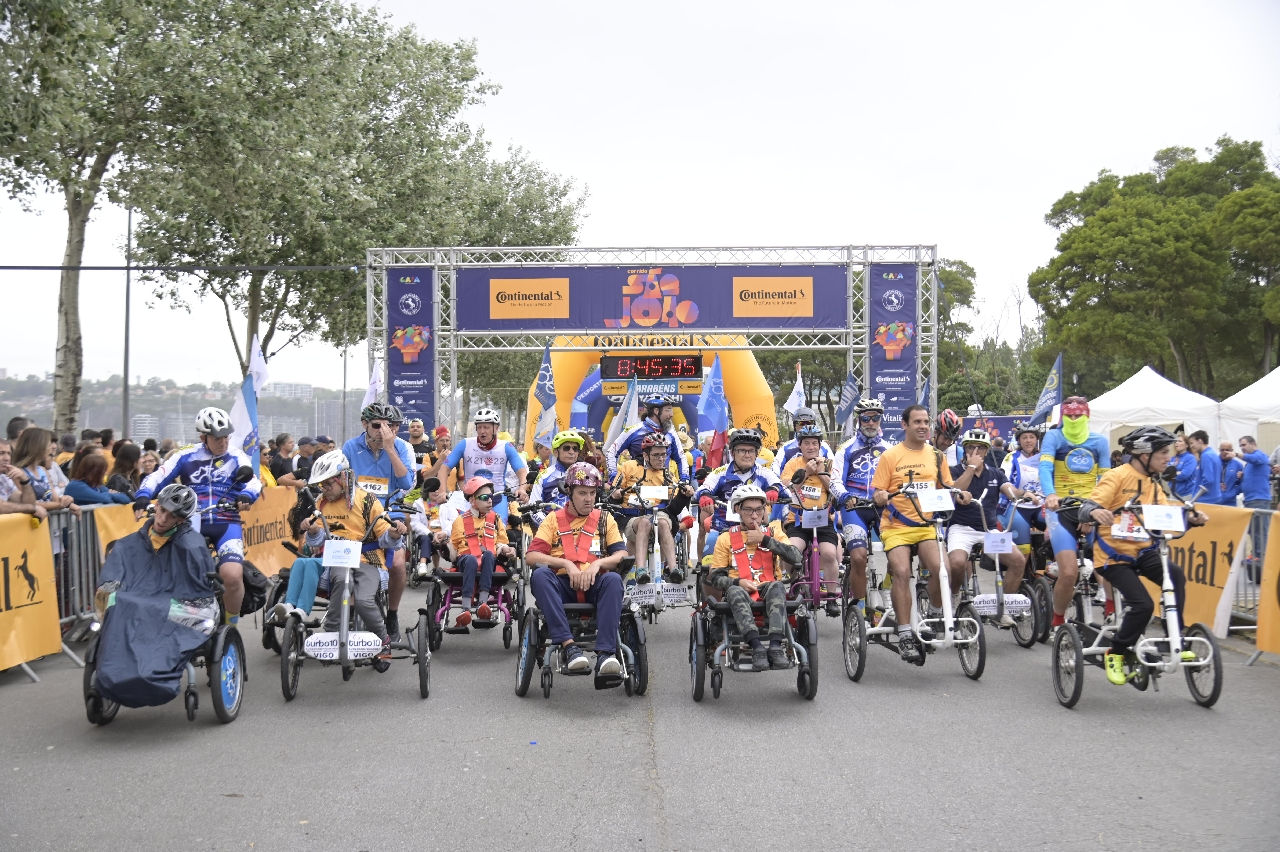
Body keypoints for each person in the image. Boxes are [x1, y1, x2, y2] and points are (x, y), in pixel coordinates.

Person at [1078, 426, 1207, 685]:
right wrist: (1094, 513)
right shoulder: (1117, 476)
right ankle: (1115, 653)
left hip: (1143, 551)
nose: (1167, 458)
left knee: (1176, 576)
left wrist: (1190, 519)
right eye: (1162, 452)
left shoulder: (1155, 483)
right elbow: (1089, 504)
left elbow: (1165, 516)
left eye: (1168, 452)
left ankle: (1175, 640)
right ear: (1143, 454)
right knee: (1144, 605)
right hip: (1113, 556)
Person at [133, 407, 261, 620]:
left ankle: (231, 630)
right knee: (180, 574)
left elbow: (254, 482)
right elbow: (158, 476)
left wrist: (247, 495)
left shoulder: (237, 456)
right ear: (203, 437)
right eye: (217, 438)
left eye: (226, 437)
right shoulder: (186, 455)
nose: (223, 442)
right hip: (191, 523)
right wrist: (143, 496)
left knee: (232, 576)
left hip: (226, 523)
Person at [275, 451, 406, 659]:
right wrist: (313, 530)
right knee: (338, 584)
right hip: (338, 559)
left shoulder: (367, 500)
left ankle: (384, 639)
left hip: (368, 560)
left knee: (364, 601)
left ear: (343, 478)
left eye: (328, 484)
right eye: (321, 486)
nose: (324, 490)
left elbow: (385, 537)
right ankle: (331, 634)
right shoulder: (321, 503)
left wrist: (393, 532)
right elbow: (316, 540)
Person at [870, 405, 970, 664]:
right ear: (905, 425)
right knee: (902, 572)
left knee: (942, 568)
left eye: (926, 421)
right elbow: (878, 493)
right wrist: (880, 495)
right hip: (897, 526)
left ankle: (935, 614)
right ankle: (904, 633)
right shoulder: (890, 456)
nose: (923, 426)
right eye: (917, 422)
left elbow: (947, 488)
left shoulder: (937, 456)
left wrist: (960, 493)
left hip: (926, 525)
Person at [525, 462, 629, 680]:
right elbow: (531, 556)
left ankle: (606, 655)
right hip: (562, 586)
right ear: (569, 492)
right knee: (540, 575)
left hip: (595, 583)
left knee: (613, 580)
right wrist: (565, 564)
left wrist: (598, 564)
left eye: (592, 493)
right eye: (582, 493)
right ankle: (569, 646)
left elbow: (621, 555)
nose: (588, 499)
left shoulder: (604, 518)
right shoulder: (553, 519)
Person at [704, 484, 803, 670]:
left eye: (759, 509)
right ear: (737, 510)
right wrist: (737, 582)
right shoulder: (725, 538)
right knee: (734, 590)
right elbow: (715, 577)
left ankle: (775, 647)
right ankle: (756, 646)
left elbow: (796, 557)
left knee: (778, 586)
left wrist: (764, 540)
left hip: (768, 587)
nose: (755, 515)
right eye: (749, 510)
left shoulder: (774, 532)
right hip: (740, 590)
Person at [341, 401, 417, 640]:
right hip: (357, 514)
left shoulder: (402, 447)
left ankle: (392, 614)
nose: (385, 430)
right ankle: (347, 609)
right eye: (377, 425)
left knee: (397, 565)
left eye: (391, 426)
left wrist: (390, 448)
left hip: (389, 512)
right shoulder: (351, 447)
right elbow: (342, 481)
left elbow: (406, 484)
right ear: (365, 424)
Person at [1039, 395, 1111, 629]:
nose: (1074, 419)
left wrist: (1093, 509)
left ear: (1087, 416)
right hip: (1061, 507)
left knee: (1110, 562)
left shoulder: (1099, 441)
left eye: (1078, 416)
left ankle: (1111, 607)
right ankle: (1058, 618)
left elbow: (1105, 479)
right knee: (1069, 573)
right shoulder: (1054, 436)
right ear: (1062, 417)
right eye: (1069, 416)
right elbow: (1045, 466)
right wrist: (1050, 494)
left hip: (1092, 505)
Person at [946, 429, 1029, 627]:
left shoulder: (995, 473)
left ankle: (1005, 608)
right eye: (971, 447)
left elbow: (1011, 491)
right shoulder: (955, 470)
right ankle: (955, 595)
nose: (976, 451)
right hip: (961, 528)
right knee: (957, 563)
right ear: (964, 450)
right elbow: (955, 490)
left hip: (989, 530)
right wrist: (970, 468)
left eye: (981, 448)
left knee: (1017, 560)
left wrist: (1025, 494)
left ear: (986, 451)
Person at [833, 398, 892, 616]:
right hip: (854, 508)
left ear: (880, 420)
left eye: (875, 418)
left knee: (899, 553)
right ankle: (858, 607)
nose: (870, 422)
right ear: (859, 420)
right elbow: (834, 480)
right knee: (858, 557)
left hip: (881, 508)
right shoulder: (845, 449)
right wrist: (845, 495)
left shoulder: (889, 450)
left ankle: (886, 586)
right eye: (866, 418)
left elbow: (896, 481)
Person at [608, 433, 693, 585]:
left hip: (659, 516)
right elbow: (612, 496)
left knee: (663, 523)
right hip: (632, 518)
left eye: (664, 455)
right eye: (656, 455)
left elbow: (674, 509)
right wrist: (616, 495)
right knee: (644, 523)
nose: (661, 459)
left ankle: (673, 569)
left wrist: (685, 495)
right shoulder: (629, 467)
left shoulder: (668, 475)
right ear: (645, 455)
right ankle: (641, 570)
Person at [780, 423, 843, 616]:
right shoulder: (793, 464)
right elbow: (787, 489)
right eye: (806, 443)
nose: (810, 447)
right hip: (798, 518)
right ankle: (793, 581)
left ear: (820, 445)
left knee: (829, 554)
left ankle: (831, 596)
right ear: (800, 446)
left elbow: (835, 489)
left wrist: (822, 472)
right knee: (792, 550)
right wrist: (806, 472)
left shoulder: (829, 464)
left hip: (822, 518)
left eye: (814, 443)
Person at [426, 407, 528, 521]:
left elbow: (522, 472)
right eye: (479, 427)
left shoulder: (506, 447)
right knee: (464, 532)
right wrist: (442, 491)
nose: (482, 431)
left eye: (486, 427)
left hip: (496, 499)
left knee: (499, 531)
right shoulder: (465, 444)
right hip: (470, 499)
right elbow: (444, 469)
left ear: (496, 428)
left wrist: (522, 489)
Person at [695, 428, 783, 558]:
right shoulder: (720, 472)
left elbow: (781, 487)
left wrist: (774, 489)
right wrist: (704, 496)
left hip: (755, 528)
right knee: (709, 563)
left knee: (774, 557)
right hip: (722, 528)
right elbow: (704, 488)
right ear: (732, 452)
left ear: (756, 453)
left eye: (751, 451)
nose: (747, 455)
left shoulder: (764, 473)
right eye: (742, 450)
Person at [449, 476, 515, 627]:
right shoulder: (460, 520)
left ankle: (482, 604)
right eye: (485, 498)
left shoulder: (496, 519)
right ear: (472, 500)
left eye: (491, 497)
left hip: (489, 559)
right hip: (466, 559)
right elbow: (456, 545)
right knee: (472, 559)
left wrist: (505, 549)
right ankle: (465, 608)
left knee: (489, 555)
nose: (490, 501)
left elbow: (501, 541)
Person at [605, 394, 687, 480]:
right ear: (656, 411)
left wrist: (685, 480)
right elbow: (611, 452)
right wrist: (614, 477)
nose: (671, 415)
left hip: (663, 484)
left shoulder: (671, 433)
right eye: (668, 410)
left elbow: (681, 458)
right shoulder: (633, 430)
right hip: (637, 485)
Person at [1001, 423, 1046, 561]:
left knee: (1058, 533)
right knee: (1023, 550)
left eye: (1032, 437)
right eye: (1024, 437)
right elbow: (1004, 482)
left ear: (1036, 439)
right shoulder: (1012, 457)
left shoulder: (1044, 457)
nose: (1028, 441)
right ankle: (1019, 576)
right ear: (1019, 440)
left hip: (1040, 505)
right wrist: (1021, 493)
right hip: (1018, 506)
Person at [10, 426, 78, 518]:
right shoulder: (18, 473)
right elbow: (27, 504)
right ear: (37, 447)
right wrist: (60, 504)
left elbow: (55, 499)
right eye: (48, 444)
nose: (51, 448)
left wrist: (67, 501)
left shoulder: (43, 470)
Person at [1238, 435, 1272, 578]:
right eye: (1240, 446)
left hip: (1260, 500)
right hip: (1250, 500)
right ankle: (1257, 554)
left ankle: (1262, 558)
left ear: (1253, 444)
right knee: (1253, 531)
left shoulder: (1260, 456)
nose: (1242, 448)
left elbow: (1260, 460)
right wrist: (1241, 477)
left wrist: (1237, 455)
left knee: (1260, 531)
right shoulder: (1249, 463)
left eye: (1244, 445)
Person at [529, 430, 586, 511]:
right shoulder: (543, 476)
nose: (571, 452)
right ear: (556, 452)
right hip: (551, 521)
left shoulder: (586, 473)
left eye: (575, 448)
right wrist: (550, 523)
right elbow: (533, 508)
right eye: (566, 448)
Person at [771, 406, 833, 477]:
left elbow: (834, 469)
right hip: (792, 483)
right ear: (795, 426)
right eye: (801, 423)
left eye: (809, 422)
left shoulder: (824, 446)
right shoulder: (786, 447)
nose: (805, 426)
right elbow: (775, 470)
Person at [0, 437, 47, 521]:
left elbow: (27, 503)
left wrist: (25, 480)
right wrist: (32, 508)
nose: (7, 458)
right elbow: (1, 507)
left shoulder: (4, 479)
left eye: (9, 453)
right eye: (1, 453)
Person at [65, 453, 132, 505]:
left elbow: (125, 499)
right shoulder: (76, 486)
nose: (105, 473)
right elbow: (105, 499)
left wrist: (109, 495)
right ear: (95, 472)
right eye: (103, 471)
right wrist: (112, 494)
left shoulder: (97, 486)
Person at [1187, 430, 1221, 505]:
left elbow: (1208, 480)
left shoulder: (1206, 456)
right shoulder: (1213, 453)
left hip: (1205, 499)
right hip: (1213, 496)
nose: (1191, 446)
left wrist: (1195, 498)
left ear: (1200, 441)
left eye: (1192, 443)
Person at [1169, 434, 1199, 500]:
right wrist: (1177, 473)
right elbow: (1165, 474)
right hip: (1173, 493)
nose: (1176, 443)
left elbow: (1184, 475)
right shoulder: (1172, 459)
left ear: (1186, 445)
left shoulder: (1190, 458)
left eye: (1180, 441)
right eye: (1176, 441)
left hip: (1186, 494)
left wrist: (1172, 474)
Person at [1219, 441, 1244, 505]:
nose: (1224, 452)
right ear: (1219, 450)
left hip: (1230, 502)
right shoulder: (1213, 463)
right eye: (1222, 450)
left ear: (1232, 451)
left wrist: (1234, 492)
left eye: (1227, 450)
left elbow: (1243, 482)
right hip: (1214, 500)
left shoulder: (1238, 465)